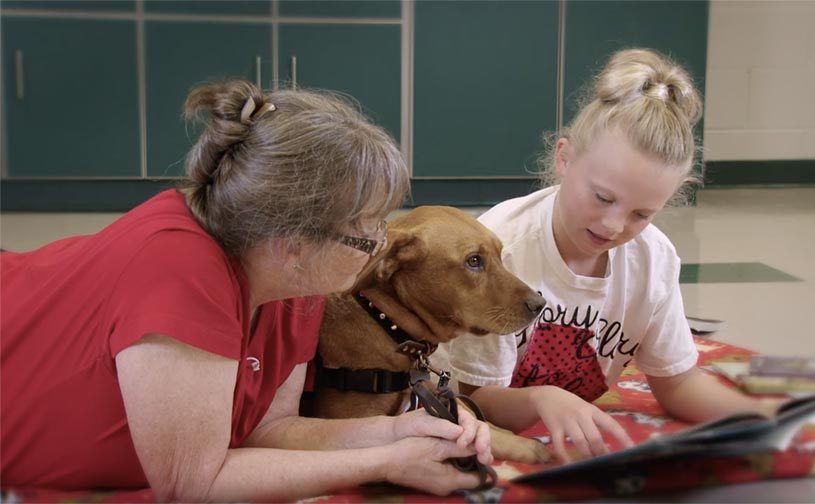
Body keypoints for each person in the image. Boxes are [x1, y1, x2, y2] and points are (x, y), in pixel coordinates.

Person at [0, 81, 492, 501]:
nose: (380, 241)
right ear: (294, 239)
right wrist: (385, 462)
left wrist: (397, 431)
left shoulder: (298, 279)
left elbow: (268, 431)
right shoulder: (177, 271)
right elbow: (191, 482)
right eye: (365, 226)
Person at [442, 48, 783, 462]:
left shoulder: (654, 258)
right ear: (564, 158)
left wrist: (762, 414)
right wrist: (543, 399)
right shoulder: (502, 250)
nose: (613, 226)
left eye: (641, 214)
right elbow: (476, 401)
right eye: (602, 197)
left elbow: (677, 385)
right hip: (473, 410)